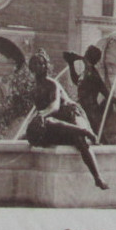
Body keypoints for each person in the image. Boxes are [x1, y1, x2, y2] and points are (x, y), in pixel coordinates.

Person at [25, 49, 109, 190]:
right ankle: (82, 132)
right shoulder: (35, 90)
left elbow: (55, 105)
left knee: (80, 139)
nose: (40, 66)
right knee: (42, 128)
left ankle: (97, 177)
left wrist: (42, 115)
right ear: (31, 68)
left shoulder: (52, 84)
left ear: (46, 66)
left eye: (42, 63)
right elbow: (43, 111)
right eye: (36, 64)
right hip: (57, 121)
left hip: (71, 114)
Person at [63, 46, 112, 140]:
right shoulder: (86, 72)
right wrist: (71, 64)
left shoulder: (93, 74)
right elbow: (76, 81)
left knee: (98, 136)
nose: (84, 54)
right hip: (82, 108)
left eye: (86, 52)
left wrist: (102, 110)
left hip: (91, 111)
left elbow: (106, 93)